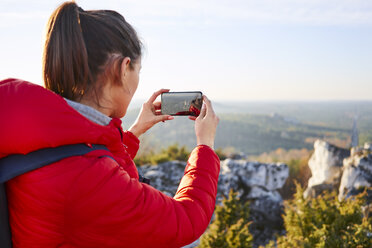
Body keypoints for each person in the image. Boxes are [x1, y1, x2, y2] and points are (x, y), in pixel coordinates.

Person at [0, 1, 220, 248]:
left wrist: (134, 132)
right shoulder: (86, 179)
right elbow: (187, 220)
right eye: (137, 69)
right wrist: (206, 145)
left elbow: (78, 155)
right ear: (123, 69)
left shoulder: (33, 130)